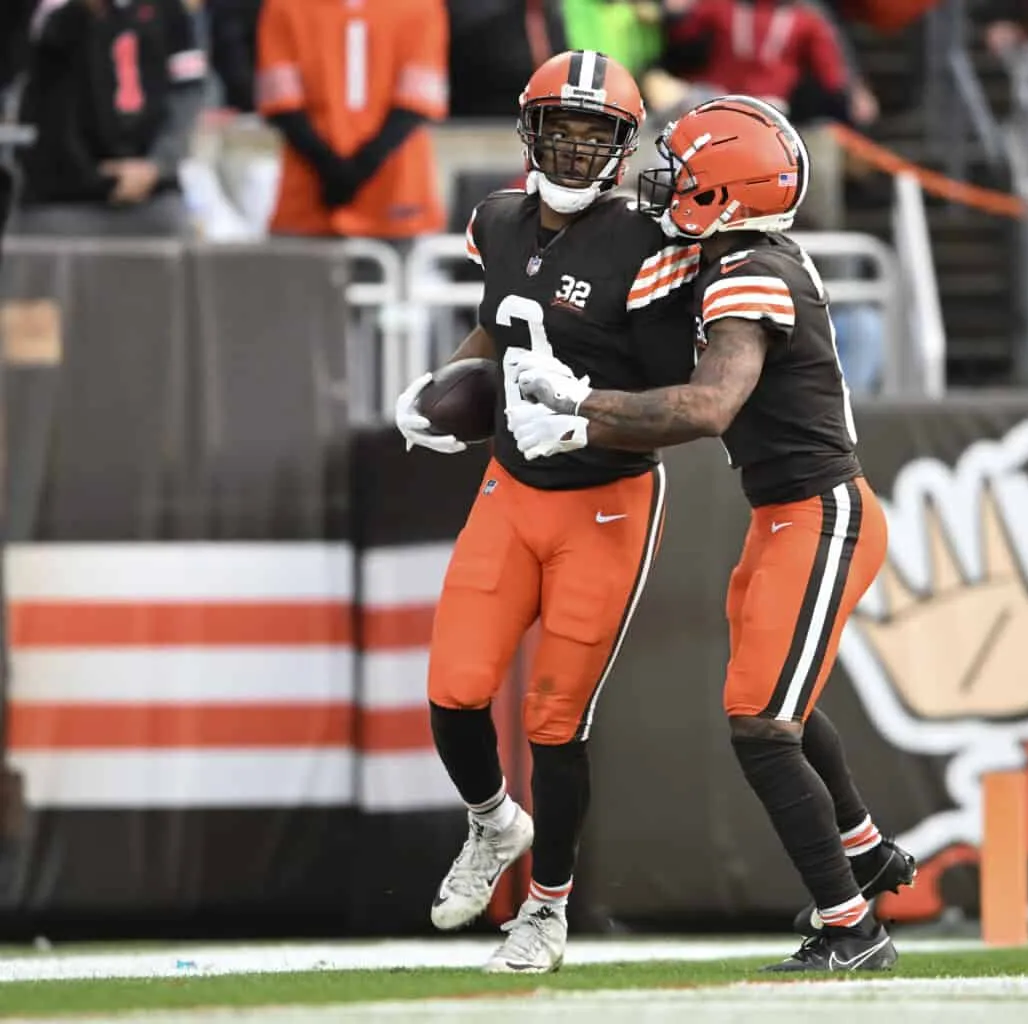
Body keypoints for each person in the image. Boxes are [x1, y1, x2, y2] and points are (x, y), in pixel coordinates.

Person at [505, 94, 914, 973]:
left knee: (762, 726)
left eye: (684, 171)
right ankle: (869, 851)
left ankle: (852, 926)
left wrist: (579, 406)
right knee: (778, 713)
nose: (666, 181)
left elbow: (708, 404)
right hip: (783, 514)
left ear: (722, 191)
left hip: (820, 512)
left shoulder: (749, 271)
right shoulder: (734, 257)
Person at [392, 49, 700, 975]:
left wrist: (587, 416)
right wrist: (448, 379)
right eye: (558, 133)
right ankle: (493, 824)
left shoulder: (650, 244)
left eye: (592, 135)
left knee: (553, 722)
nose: (572, 153)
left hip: (604, 498)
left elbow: (678, 392)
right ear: (529, 134)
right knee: (452, 690)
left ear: (621, 145)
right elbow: (500, 316)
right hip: (511, 487)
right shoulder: (494, 216)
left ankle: (547, 910)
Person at [256, 0, 448, 240]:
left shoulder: (420, 7)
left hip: (395, 195)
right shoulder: (284, 6)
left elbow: (417, 102)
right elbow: (281, 101)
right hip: (308, 199)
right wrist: (329, 166)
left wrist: (354, 169)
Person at [16, 0, 206, 238]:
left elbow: (187, 92)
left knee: (176, 236)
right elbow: (37, 50)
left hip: (150, 197)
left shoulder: (168, 9)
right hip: (62, 200)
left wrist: (157, 165)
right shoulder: (48, 9)